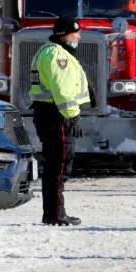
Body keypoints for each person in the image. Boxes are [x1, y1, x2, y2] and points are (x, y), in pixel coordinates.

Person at [29, 16, 90, 226]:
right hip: (57, 116)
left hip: (48, 114)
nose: (79, 37)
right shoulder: (57, 55)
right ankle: (55, 214)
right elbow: (63, 91)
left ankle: (54, 212)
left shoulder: (48, 50)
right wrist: (72, 116)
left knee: (55, 165)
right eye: (76, 33)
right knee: (60, 166)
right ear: (64, 34)